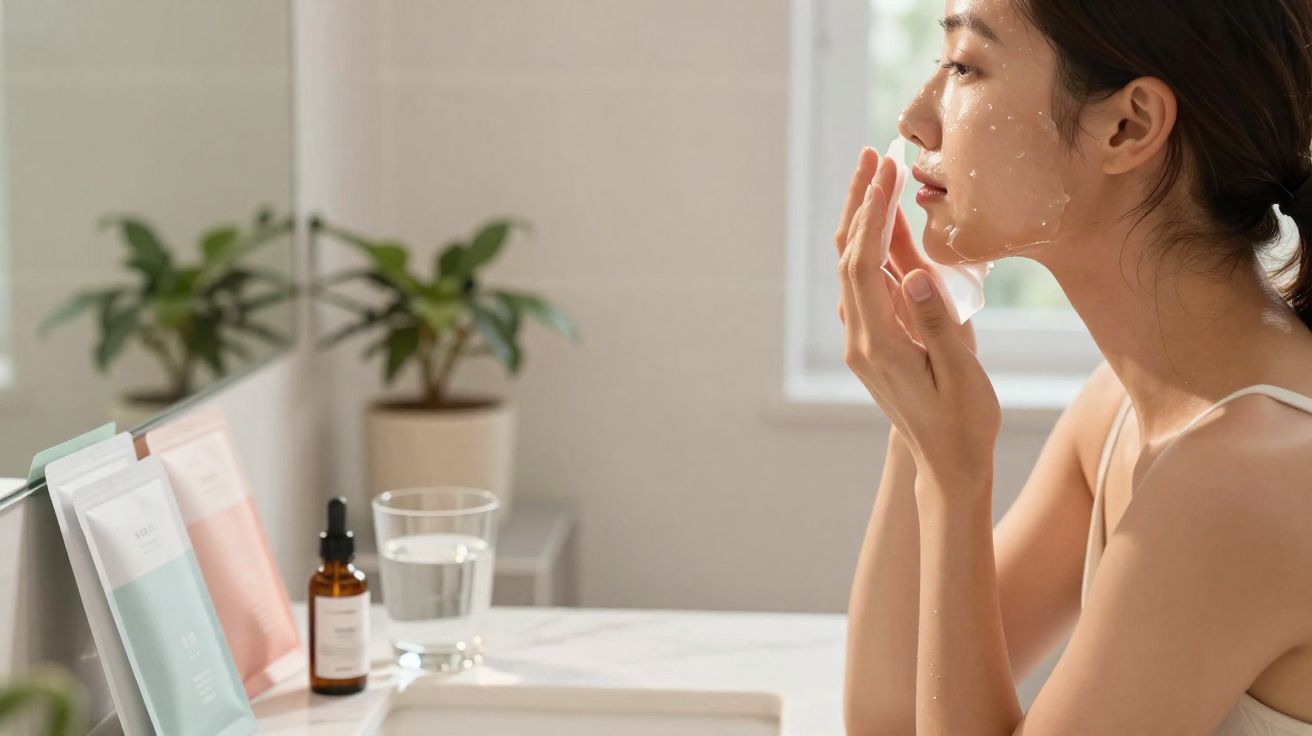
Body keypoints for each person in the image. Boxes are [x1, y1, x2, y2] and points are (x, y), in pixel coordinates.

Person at [837, 0, 1312, 733]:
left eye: (965, 66)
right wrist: (922, 409)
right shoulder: (1121, 411)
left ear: (1129, 127)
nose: (914, 118)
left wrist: (953, 475)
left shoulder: (1245, 474)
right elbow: (891, 717)